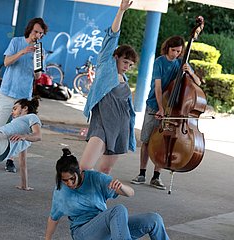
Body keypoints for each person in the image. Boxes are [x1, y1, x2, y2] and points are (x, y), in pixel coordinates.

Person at [45, 148, 170, 240]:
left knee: (154, 219)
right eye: (65, 180)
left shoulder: (96, 178)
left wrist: (121, 187)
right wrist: (47, 239)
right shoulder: (60, 191)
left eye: (72, 178)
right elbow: (53, 218)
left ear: (79, 171)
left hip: (108, 229)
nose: (69, 183)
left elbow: (131, 193)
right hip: (83, 233)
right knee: (118, 210)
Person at [131, 35, 201, 190]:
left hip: (172, 109)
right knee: (147, 139)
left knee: (164, 141)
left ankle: (156, 176)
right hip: (155, 105)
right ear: (167, 48)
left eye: (179, 51)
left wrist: (190, 71)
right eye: (173, 50)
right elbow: (158, 87)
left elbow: (198, 83)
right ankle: (142, 173)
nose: (175, 54)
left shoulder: (181, 64)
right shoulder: (159, 62)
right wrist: (160, 108)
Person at [80, 0, 138, 174]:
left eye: (131, 64)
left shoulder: (125, 79)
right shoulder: (106, 65)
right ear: (116, 57)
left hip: (120, 127)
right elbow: (112, 36)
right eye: (125, 61)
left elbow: (128, 108)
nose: (127, 66)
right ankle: (77, 199)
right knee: (84, 167)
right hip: (102, 124)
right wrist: (121, 11)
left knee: (105, 169)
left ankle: (99, 201)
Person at [0, 17, 47, 172]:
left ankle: (10, 159)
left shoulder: (41, 51)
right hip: (7, 91)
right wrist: (22, 52)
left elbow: (37, 77)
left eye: (41, 33)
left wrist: (38, 62)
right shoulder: (16, 42)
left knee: (19, 130)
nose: (37, 35)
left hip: (24, 97)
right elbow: (6, 62)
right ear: (30, 30)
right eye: (36, 32)